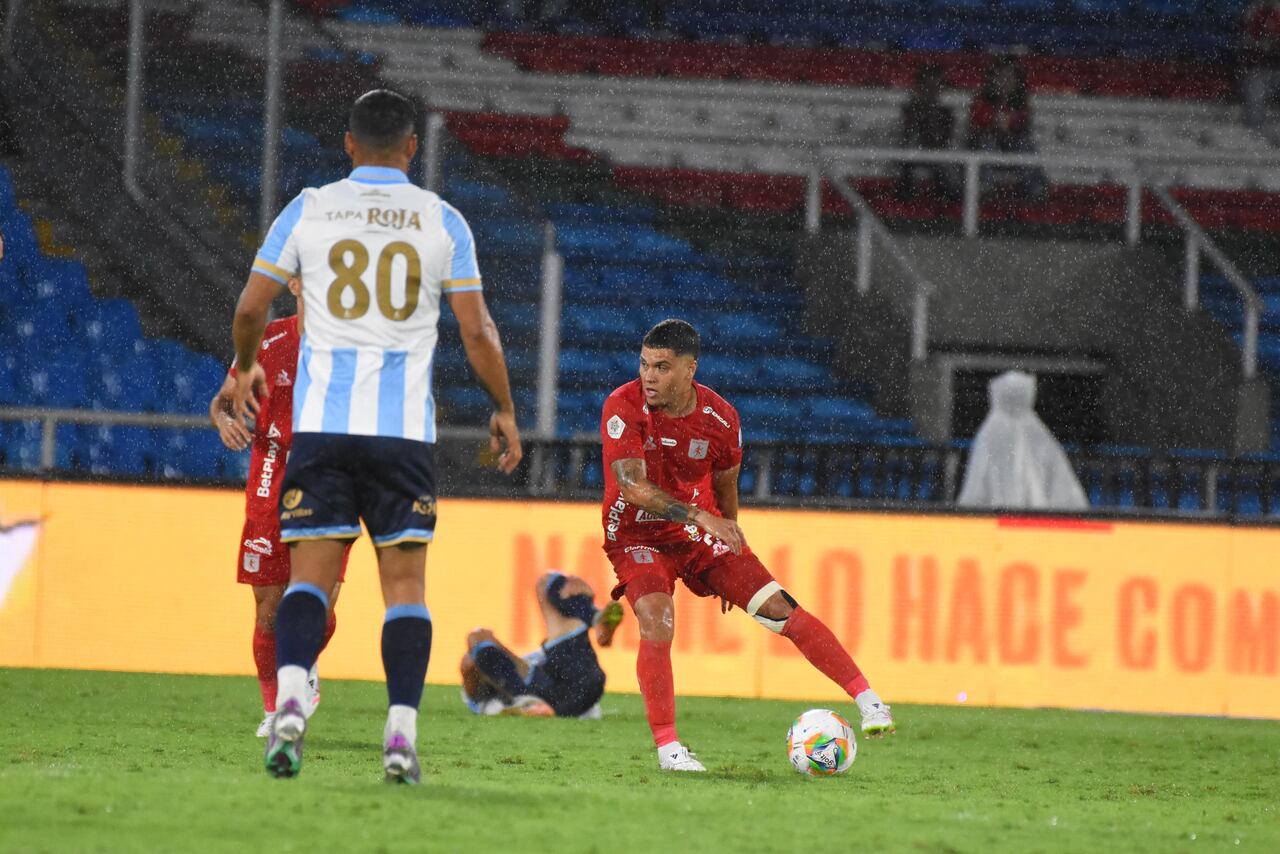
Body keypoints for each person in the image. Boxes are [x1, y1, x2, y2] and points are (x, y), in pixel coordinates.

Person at [230, 89, 523, 784]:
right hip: (401, 437)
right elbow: (477, 331)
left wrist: (244, 367)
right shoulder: (441, 219)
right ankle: (400, 734)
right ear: (413, 147)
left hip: (323, 427)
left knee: (309, 580)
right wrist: (503, 407)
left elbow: (250, 307)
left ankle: (293, 702)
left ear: (349, 143)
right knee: (405, 587)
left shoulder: (309, 206)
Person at [598, 319, 894, 773]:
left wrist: (728, 545)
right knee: (657, 619)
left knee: (778, 607)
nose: (649, 376)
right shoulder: (623, 405)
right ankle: (670, 750)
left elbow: (726, 489)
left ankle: (870, 702)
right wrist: (701, 516)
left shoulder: (721, 420)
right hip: (635, 533)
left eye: (662, 366)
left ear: (690, 369)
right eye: (644, 364)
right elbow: (632, 486)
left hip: (696, 537)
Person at [209, 277, 352, 738]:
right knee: (268, 604)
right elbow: (223, 400)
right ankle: (275, 707)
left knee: (320, 606)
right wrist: (223, 420)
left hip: (333, 473)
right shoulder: (268, 339)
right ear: (294, 281)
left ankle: (303, 661)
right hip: (273, 470)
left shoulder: (354, 345)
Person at [459, 571, 623, 718]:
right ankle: (593, 616)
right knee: (476, 644)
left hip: (556, 681)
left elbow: (477, 658)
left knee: (546, 582)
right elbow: (469, 666)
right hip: (572, 689)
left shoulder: (508, 672)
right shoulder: (488, 703)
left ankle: (595, 617)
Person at [957, 371, 1088, 511]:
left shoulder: (992, 433)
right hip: (1031, 521)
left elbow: (975, 489)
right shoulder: (1037, 433)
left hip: (1003, 521)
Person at [966, 57, 1046, 202]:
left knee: (1026, 143)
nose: (1006, 81)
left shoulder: (1021, 101)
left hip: (1013, 145)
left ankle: (1035, 188)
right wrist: (994, 125)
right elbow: (976, 126)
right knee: (986, 142)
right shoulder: (982, 99)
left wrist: (1009, 126)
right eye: (1002, 76)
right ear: (993, 79)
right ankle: (986, 187)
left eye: (1010, 77)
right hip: (988, 144)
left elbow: (1022, 125)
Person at [897, 64, 957, 201]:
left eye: (935, 86)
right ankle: (908, 197)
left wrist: (931, 115)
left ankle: (944, 200)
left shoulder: (946, 112)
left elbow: (945, 138)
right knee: (908, 154)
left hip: (937, 152)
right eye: (928, 86)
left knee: (945, 160)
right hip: (915, 153)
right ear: (921, 87)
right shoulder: (911, 108)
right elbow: (908, 135)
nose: (932, 91)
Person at [1240, 1, 1280, 130]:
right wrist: (1263, 45)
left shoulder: (1278, 13)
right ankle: (1254, 128)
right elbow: (1247, 43)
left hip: (1277, 68)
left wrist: (1274, 43)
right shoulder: (1254, 13)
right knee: (1254, 91)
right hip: (1260, 70)